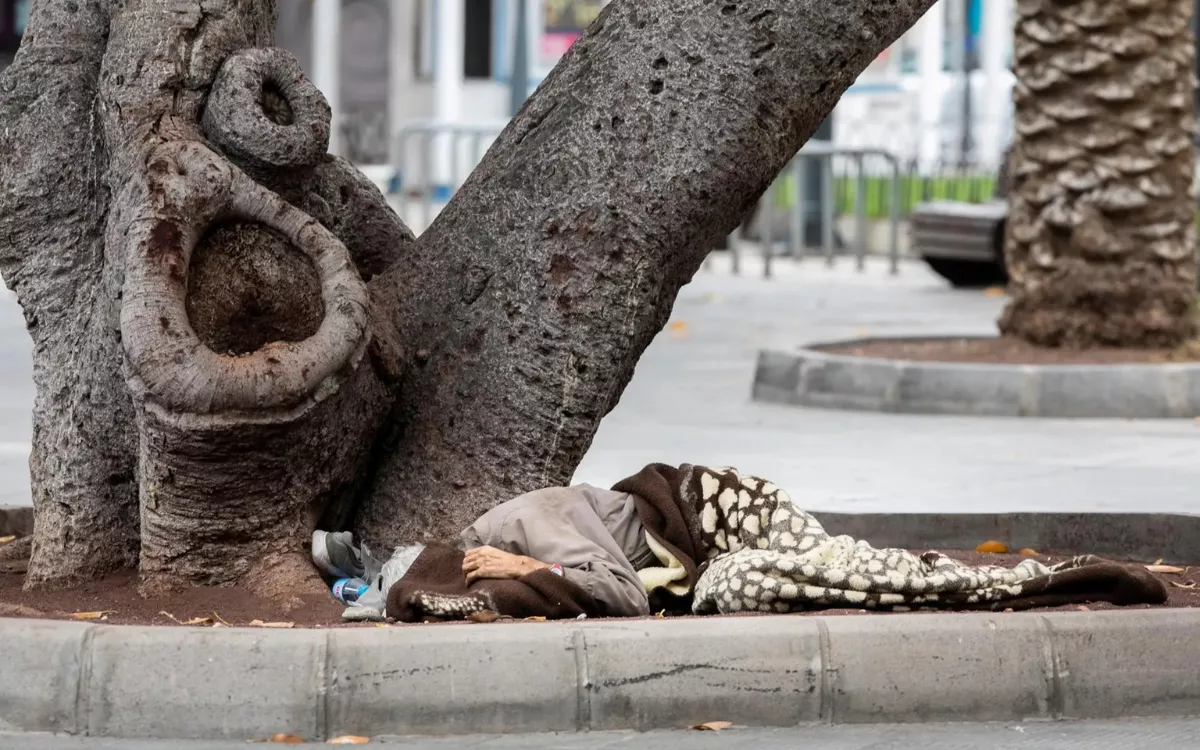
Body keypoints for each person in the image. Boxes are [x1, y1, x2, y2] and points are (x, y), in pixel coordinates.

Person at [312, 483, 664, 619]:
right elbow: (630, 598)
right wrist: (526, 567)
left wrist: (525, 566)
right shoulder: (537, 528)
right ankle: (379, 580)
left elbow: (627, 595)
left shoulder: (537, 529)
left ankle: (377, 578)